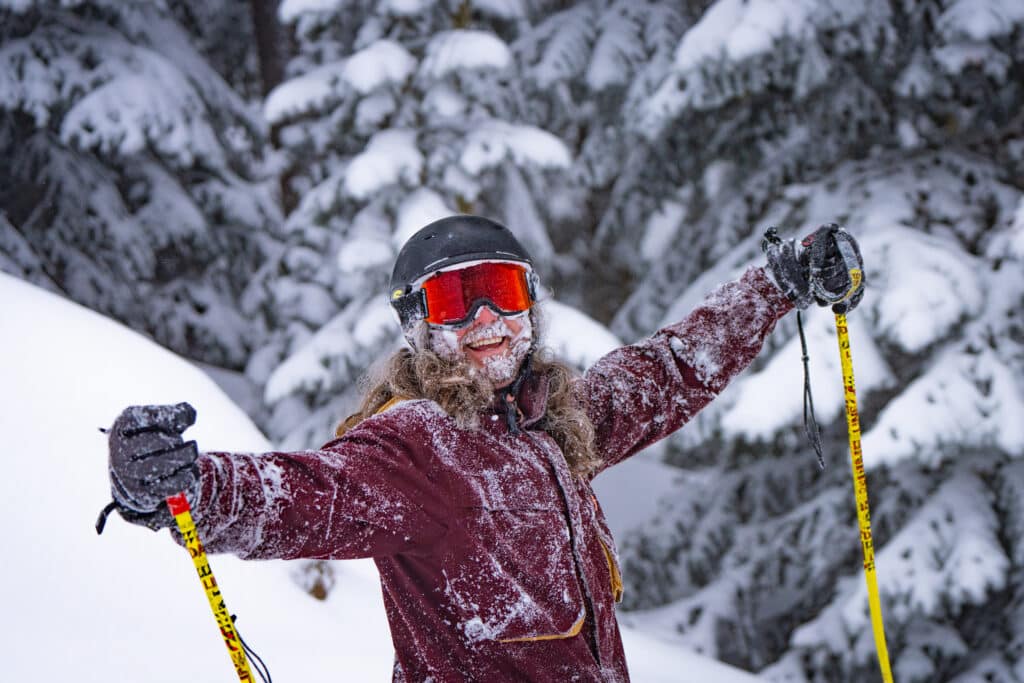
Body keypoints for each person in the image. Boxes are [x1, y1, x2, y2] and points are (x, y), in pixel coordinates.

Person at [105, 215, 864, 682]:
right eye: (453, 301)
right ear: (420, 327)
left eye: (502, 289)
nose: (487, 318)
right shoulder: (418, 448)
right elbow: (307, 494)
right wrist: (188, 487)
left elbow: (668, 370)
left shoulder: (555, 424)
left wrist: (778, 283)